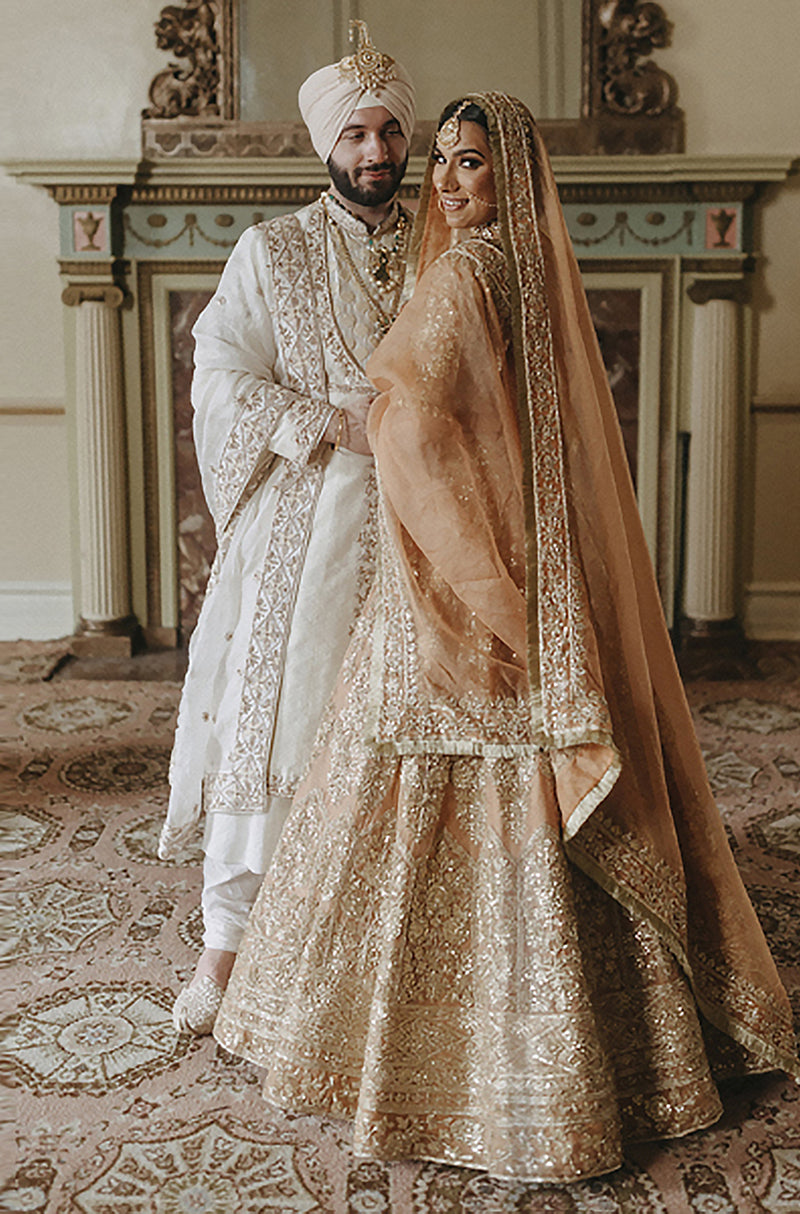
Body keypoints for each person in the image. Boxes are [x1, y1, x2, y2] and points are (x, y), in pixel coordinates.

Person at [213, 94, 797, 1183]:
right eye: (439, 159)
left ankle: (421, 1054)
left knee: (412, 788)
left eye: (469, 162)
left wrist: (448, 538)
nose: (444, 179)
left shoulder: (466, 271)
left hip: (459, 576)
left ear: (510, 176)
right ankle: (618, 1041)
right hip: (533, 552)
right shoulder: (533, 266)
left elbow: (409, 416)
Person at [159, 22, 416, 1035]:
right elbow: (220, 372)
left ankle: (391, 942)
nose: (374, 151)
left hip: (424, 522)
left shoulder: (449, 246)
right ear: (325, 145)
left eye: (388, 131)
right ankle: (224, 947)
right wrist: (325, 422)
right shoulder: (272, 250)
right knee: (273, 715)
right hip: (308, 516)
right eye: (355, 133)